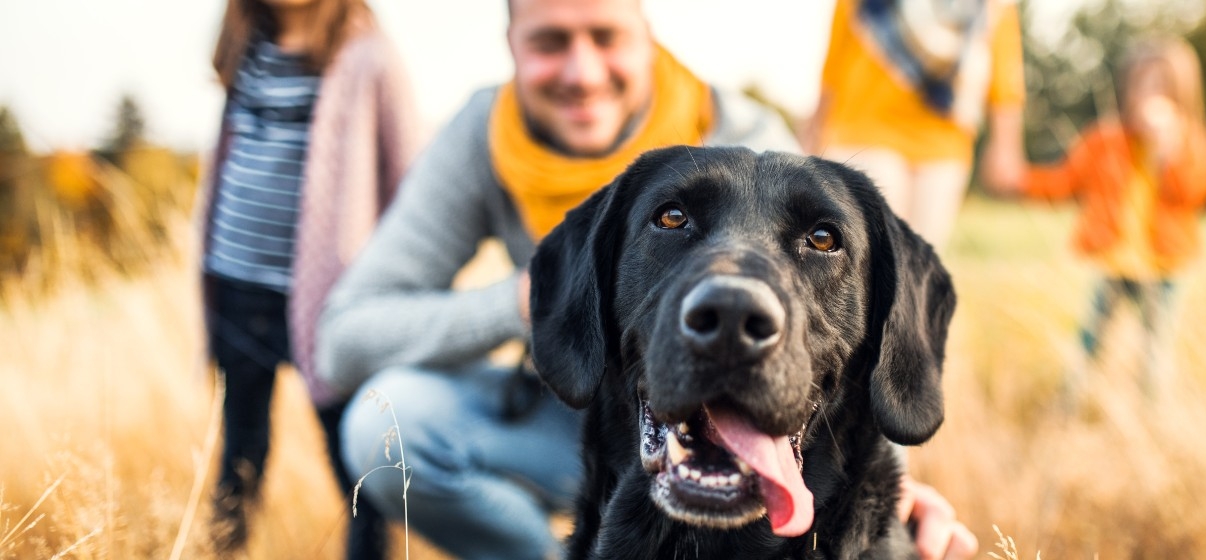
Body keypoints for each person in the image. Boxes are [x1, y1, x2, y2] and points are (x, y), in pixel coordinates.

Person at [319, 0, 978, 558]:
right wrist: (522, 302)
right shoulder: (482, 136)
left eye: (605, 37)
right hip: (588, 399)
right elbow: (344, 338)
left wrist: (887, 486)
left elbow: (845, 327)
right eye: (550, 42)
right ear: (512, 47)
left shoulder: (746, 135)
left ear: (646, 36)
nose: (581, 71)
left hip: (769, 412)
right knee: (386, 426)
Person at [196, 0, 420, 555]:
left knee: (359, 469)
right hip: (236, 282)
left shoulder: (369, 55)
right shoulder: (245, 43)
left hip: (328, 303)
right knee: (240, 455)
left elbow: (414, 181)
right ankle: (223, 549)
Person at [1004, 37, 1206, 400]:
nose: (1150, 96)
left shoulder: (1192, 144)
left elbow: (1194, 193)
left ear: (1183, 93)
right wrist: (1019, 181)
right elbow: (1064, 181)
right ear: (1127, 90)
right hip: (1114, 262)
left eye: (1162, 86)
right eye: (1142, 85)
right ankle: (1069, 402)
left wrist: (1169, 151)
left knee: (1155, 346)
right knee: (1091, 339)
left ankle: (1153, 410)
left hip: (1163, 267)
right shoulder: (1104, 142)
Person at [806, 0, 1027, 246]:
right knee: (876, 250)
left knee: (922, 259)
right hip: (865, 131)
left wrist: (1006, 145)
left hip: (945, 142)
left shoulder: (994, 5)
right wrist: (813, 134)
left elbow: (1005, 76)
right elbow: (834, 63)